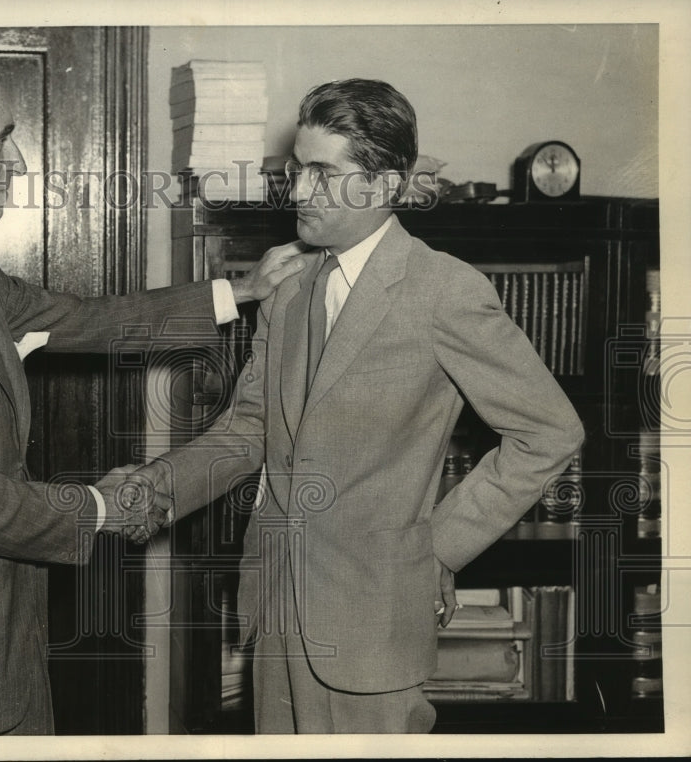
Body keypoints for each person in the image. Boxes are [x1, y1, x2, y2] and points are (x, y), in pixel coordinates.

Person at [0, 53, 304, 736]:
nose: (16, 158)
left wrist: (241, 291)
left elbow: (90, 320)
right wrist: (103, 508)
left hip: (1, 637)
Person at [123, 79, 585, 733]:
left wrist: (441, 549)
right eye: (294, 171)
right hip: (276, 609)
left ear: (382, 185)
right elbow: (252, 427)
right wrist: (157, 484)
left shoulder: (443, 290)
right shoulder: (287, 282)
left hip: (373, 626)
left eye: (321, 173)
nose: (298, 192)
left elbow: (550, 430)